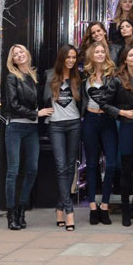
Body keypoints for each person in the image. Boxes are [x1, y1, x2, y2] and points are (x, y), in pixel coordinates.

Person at [40, 44, 82, 230]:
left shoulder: (77, 77)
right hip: (56, 125)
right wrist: (41, 111)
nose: (71, 61)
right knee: (60, 165)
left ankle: (59, 207)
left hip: (74, 124)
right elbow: (42, 97)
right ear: (61, 58)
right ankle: (69, 210)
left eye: (74, 57)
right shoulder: (50, 75)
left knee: (70, 166)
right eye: (68, 57)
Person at [104, 44, 133, 226]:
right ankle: (125, 208)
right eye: (130, 55)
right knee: (126, 167)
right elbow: (105, 104)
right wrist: (121, 112)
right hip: (127, 126)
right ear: (124, 59)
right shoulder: (117, 79)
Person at [1, 44, 41, 231]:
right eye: (15, 54)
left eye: (21, 52)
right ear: (13, 60)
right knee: (13, 171)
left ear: (27, 54)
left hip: (32, 129)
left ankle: (21, 209)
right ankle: (10, 214)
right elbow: (13, 104)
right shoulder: (11, 77)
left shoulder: (34, 76)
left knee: (32, 169)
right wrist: (36, 114)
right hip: (15, 126)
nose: (19, 55)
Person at [81, 41, 118, 225]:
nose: (100, 54)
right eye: (97, 51)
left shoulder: (113, 74)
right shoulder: (84, 75)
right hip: (90, 120)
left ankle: (105, 204)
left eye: (103, 51)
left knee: (111, 163)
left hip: (108, 121)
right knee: (92, 164)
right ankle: (93, 207)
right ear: (91, 55)